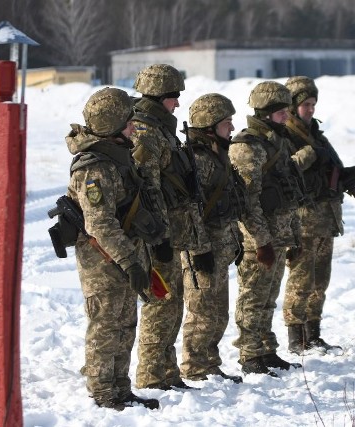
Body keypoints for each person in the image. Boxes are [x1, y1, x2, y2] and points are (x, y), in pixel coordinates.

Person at [66, 87, 163, 410]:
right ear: (111, 124)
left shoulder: (117, 157)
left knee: (125, 322)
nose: (134, 127)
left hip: (123, 255)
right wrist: (130, 263)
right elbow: (100, 224)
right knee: (106, 325)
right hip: (102, 260)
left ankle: (121, 387)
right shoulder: (94, 167)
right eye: (128, 122)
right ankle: (103, 390)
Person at [130, 64, 205, 391]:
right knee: (160, 306)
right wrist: (158, 236)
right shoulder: (146, 133)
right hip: (157, 237)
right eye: (174, 97)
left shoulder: (161, 129)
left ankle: (168, 372)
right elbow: (149, 190)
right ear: (160, 96)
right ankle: (151, 376)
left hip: (171, 233)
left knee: (172, 305)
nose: (177, 103)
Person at [282, 76, 355, 355]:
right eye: (305, 104)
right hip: (302, 220)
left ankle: (313, 332)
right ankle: (296, 336)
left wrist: (346, 177)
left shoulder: (318, 136)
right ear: (293, 106)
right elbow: (287, 171)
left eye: (313, 104)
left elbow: (327, 173)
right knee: (300, 279)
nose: (311, 109)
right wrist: (310, 153)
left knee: (320, 280)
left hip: (325, 218)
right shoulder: (285, 135)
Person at [228, 81, 304, 377]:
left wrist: (293, 235)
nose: (288, 116)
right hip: (258, 240)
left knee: (269, 297)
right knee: (253, 297)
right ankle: (250, 354)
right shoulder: (248, 146)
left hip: (279, 234)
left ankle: (266, 350)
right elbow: (248, 202)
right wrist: (261, 241)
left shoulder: (278, 142)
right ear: (267, 111)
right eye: (282, 111)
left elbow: (290, 193)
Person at [179, 93, 246, 384]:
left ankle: (209, 363)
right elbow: (190, 209)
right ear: (209, 125)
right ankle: (195, 366)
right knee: (201, 311)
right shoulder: (198, 160)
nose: (232, 128)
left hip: (221, 245)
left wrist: (236, 240)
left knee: (218, 312)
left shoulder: (218, 155)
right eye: (227, 123)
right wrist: (200, 249)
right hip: (202, 249)